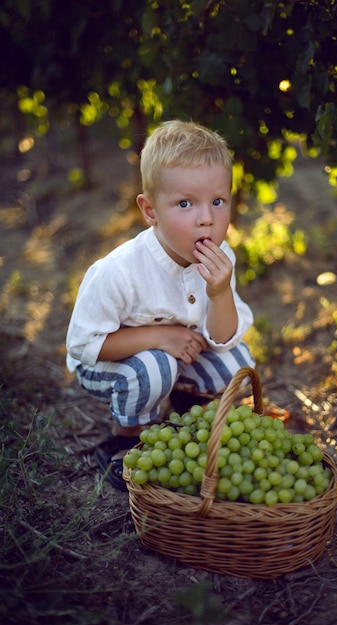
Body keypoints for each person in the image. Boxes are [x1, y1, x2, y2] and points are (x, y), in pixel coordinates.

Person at [66, 120, 255, 490]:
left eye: (218, 201)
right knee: (156, 366)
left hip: (174, 354)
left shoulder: (221, 258)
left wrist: (219, 294)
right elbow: (84, 345)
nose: (206, 217)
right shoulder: (120, 271)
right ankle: (124, 438)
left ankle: (183, 414)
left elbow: (222, 338)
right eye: (185, 203)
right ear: (150, 211)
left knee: (237, 363)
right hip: (106, 362)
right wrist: (161, 335)